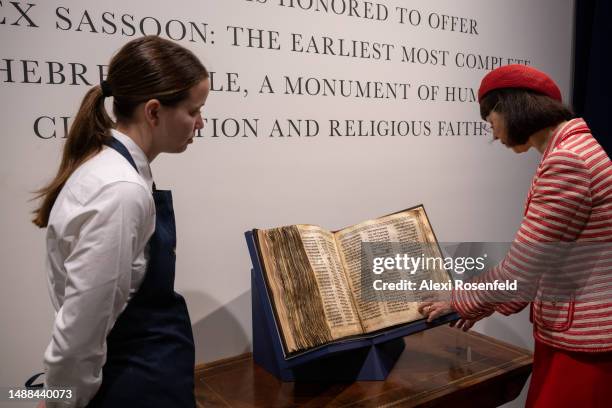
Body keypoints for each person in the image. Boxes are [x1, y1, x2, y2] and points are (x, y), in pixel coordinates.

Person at [419, 64, 612, 407]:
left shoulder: (567, 161)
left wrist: (459, 300)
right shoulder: (576, 150)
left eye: (490, 120)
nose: (493, 134)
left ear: (511, 107)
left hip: (583, 343)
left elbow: (521, 269)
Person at [32, 36, 210, 407]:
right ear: (154, 112)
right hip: (132, 379)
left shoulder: (116, 170)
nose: (200, 123)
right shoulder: (121, 191)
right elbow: (81, 330)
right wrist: (59, 399)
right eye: (194, 111)